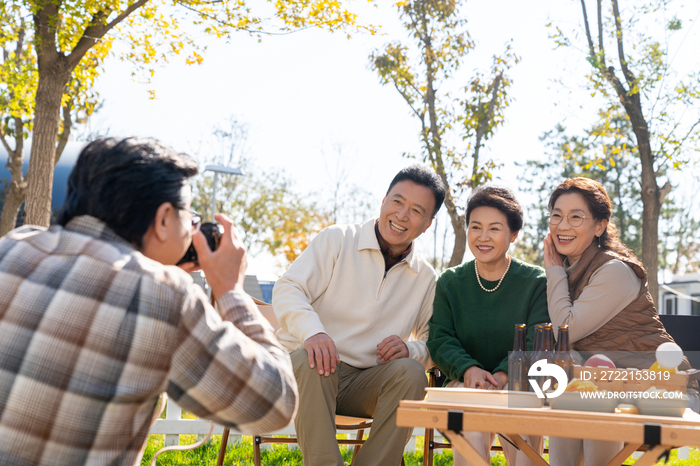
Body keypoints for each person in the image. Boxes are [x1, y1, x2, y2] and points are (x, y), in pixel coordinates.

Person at [0, 138, 298, 465]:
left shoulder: (13, 248)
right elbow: (276, 403)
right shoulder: (164, 297)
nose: (194, 231)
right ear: (164, 219)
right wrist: (231, 291)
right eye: (191, 219)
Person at [272, 165, 445, 466]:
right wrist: (313, 332)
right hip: (308, 374)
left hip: (365, 383)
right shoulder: (337, 240)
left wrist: (411, 349)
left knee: (412, 373)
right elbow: (288, 288)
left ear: (428, 224)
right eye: (397, 201)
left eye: (416, 210)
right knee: (311, 361)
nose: (402, 215)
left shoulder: (426, 277)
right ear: (383, 201)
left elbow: (435, 342)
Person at [543, 177, 699, 466]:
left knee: (589, 400)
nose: (563, 226)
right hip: (609, 386)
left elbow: (567, 329)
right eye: (556, 215)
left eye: (576, 217)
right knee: (573, 396)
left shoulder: (613, 270)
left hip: (664, 390)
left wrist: (553, 271)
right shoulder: (570, 272)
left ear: (600, 226)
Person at [427, 185, 549, 466]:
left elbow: (537, 340)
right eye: (475, 227)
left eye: (494, 229)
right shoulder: (450, 282)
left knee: (523, 404)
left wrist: (505, 375)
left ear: (513, 234)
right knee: (468, 407)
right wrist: (469, 370)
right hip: (465, 381)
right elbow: (440, 338)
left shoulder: (535, 282)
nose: (483, 237)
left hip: (521, 380)